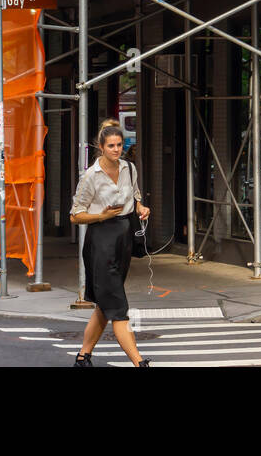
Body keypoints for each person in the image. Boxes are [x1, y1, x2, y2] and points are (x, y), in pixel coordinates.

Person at [70, 119, 151, 367]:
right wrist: (100, 216)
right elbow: (75, 215)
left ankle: (83, 357)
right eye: (111, 145)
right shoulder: (90, 177)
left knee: (105, 304)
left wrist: (141, 207)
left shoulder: (129, 168)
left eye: (119, 145)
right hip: (101, 241)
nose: (116, 149)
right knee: (117, 305)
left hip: (124, 239)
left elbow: (135, 196)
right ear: (101, 147)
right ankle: (139, 363)